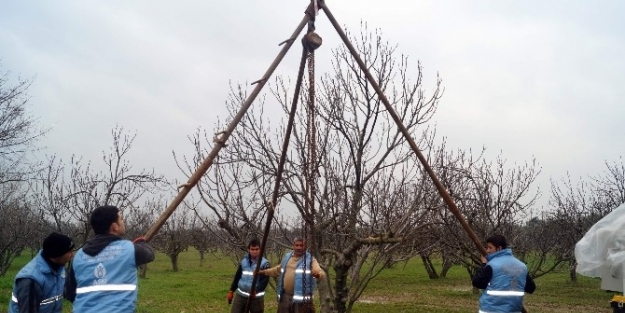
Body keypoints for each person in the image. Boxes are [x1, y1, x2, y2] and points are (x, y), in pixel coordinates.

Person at [64, 205, 155, 312]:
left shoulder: (79, 255)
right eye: (121, 219)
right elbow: (150, 254)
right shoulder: (129, 249)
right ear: (114, 226)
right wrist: (141, 243)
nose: (123, 221)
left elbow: (69, 293)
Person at [9, 232, 75, 313]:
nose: (72, 255)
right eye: (70, 252)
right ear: (57, 254)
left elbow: (71, 291)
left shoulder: (60, 269)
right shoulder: (31, 279)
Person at [258, 237, 325, 313]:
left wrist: (318, 275)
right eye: (297, 245)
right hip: (285, 296)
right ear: (293, 246)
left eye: (301, 245)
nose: (299, 248)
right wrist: (263, 272)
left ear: (305, 246)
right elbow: (277, 270)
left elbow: (319, 272)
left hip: (301, 299)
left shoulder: (310, 259)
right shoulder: (287, 257)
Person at [472, 234, 536, 313]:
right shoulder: (522, 266)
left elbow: (478, 283)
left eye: (490, 247)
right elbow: (531, 288)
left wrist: (483, 264)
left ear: (499, 248)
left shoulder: (492, 265)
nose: (487, 250)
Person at [227, 238, 271, 313]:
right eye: (252, 249)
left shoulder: (265, 264)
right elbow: (238, 276)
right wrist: (231, 290)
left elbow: (264, 281)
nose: (254, 251)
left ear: (260, 249)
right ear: (248, 249)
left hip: (256, 298)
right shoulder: (243, 261)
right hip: (241, 295)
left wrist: (256, 291)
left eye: (257, 249)